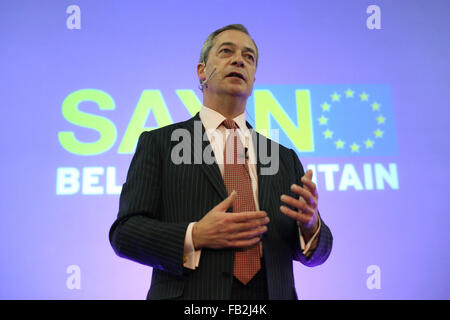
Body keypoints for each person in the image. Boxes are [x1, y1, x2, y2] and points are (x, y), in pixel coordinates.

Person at [109, 24, 332, 300]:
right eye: (226, 51)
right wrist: (195, 234)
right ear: (202, 71)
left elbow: (318, 253)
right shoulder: (159, 144)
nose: (239, 60)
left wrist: (310, 226)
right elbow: (125, 234)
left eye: (249, 57)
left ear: (253, 77)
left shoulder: (284, 157)